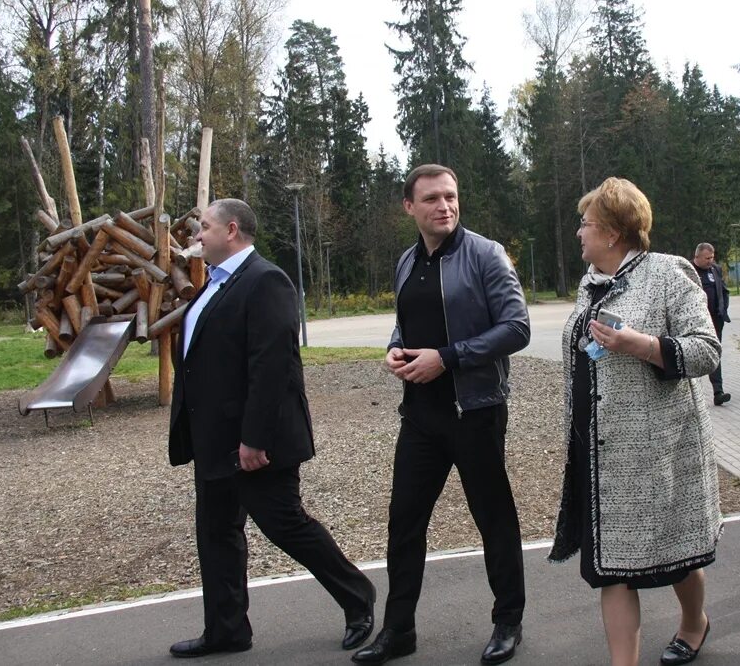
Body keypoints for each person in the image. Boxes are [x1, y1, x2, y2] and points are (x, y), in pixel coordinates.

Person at [167, 199, 376, 658]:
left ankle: (358, 598)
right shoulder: (214, 284)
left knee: (286, 526)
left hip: (254, 442)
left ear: (232, 230)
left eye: (204, 227)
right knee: (217, 533)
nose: (197, 236)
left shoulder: (265, 281)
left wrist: (254, 439)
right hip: (212, 440)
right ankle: (227, 630)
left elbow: (272, 366)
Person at [352, 165, 530, 666]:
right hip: (420, 417)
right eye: (431, 198)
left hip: (474, 412)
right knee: (404, 524)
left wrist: (446, 357)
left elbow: (516, 328)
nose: (444, 206)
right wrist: (395, 350)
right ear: (409, 207)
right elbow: (405, 323)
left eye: (450, 196)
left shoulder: (486, 255)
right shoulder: (408, 261)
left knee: (494, 520)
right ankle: (398, 629)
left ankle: (508, 621)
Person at [548, 178, 722, 666]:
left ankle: (694, 623)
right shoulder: (592, 283)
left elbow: (706, 351)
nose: (578, 233)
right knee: (613, 569)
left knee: (676, 555)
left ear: (611, 232)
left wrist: (642, 345)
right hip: (601, 454)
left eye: (584, 224)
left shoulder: (668, 274)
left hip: (658, 449)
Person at [691, 242, 732, 405]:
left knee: (715, 353)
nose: (710, 261)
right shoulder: (688, 271)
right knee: (695, 355)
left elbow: (724, 290)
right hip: (696, 322)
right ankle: (692, 393)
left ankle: (718, 391)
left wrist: (723, 309)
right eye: (707, 258)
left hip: (716, 319)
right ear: (697, 257)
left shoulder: (715, 270)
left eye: (712, 257)